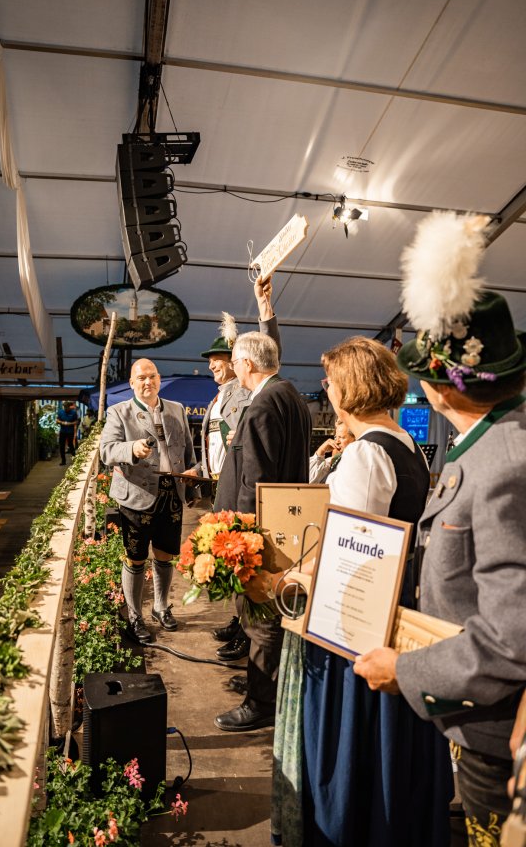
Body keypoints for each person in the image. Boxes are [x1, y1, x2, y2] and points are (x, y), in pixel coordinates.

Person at [354, 212, 526, 846]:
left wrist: (406, 670)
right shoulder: (493, 443)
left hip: (493, 733)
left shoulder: (505, 464)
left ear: (440, 388)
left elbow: (510, 640)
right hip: (477, 716)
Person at [254, 336, 453, 847]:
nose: (326, 389)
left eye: (330, 381)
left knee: (351, 742)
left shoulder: (366, 454)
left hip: (358, 620)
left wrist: (279, 581)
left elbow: (350, 556)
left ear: (349, 388)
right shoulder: (404, 444)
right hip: (396, 603)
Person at [212, 331, 311, 732]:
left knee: (261, 616)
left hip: (261, 531)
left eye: (234, 362)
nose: (233, 369)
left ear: (247, 364)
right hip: (283, 522)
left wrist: (242, 539)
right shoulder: (291, 396)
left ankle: (262, 701)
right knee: (266, 614)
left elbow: (255, 479)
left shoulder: (264, 404)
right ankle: (262, 681)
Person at [190, 275, 281, 664]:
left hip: (243, 486)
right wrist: (200, 469)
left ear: (238, 362)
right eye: (210, 361)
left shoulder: (247, 392)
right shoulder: (217, 398)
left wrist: (265, 313)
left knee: (241, 559)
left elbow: (271, 357)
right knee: (231, 560)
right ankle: (237, 621)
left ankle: (247, 632)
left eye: (218, 359)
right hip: (220, 484)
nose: (211, 364)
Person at [100, 358, 198, 644]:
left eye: (152, 376)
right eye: (141, 378)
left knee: (166, 553)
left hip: (171, 491)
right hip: (136, 494)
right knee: (136, 557)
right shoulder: (119, 412)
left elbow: (188, 453)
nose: (147, 382)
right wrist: (132, 448)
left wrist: (193, 481)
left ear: (159, 379)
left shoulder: (177, 409)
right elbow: (107, 451)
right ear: (132, 383)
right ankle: (134, 616)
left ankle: (160, 606)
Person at [308, 417, 355, 482]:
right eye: (335, 437)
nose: (337, 441)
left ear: (355, 438)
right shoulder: (333, 460)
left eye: (341, 437)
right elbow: (310, 480)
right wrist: (321, 452)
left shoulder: (356, 461)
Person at [57, 401, 79, 465]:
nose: (66, 408)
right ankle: (63, 461)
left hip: (70, 432)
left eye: (67, 407)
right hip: (63, 431)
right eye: (65, 407)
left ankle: (75, 459)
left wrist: (70, 423)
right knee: (62, 446)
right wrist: (62, 422)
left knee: (70, 445)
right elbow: (57, 420)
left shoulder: (73, 413)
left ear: (69, 407)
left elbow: (76, 421)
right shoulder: (61, 412)